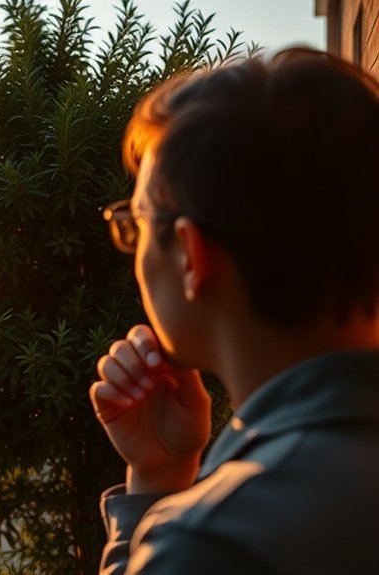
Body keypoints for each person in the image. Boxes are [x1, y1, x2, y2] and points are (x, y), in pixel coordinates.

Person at [93, 47, 379, 574]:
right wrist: (163, 468)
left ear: (190, 255)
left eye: (136, 224)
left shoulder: (216, 543)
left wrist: (155, 496)